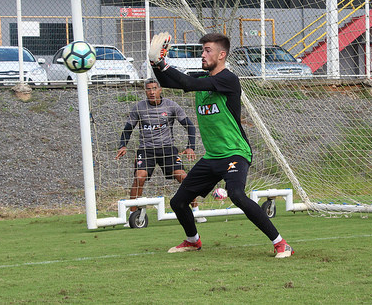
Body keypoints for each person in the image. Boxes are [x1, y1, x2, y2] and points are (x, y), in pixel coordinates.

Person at [149, 31, 294, 258]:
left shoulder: (229, 79)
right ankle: (192, 241)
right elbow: (167, 81)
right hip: (213, 156)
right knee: (178, 202)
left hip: (235, 152)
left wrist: (162, 62)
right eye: (202, 50)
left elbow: (185, 81)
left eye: (208, 51)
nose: (203, 55)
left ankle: (281, 243)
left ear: (222, 55)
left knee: (235, 194)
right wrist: (155, 63)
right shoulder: (202, 78)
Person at [115, 78, 206, 223]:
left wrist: (190, 147)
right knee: (139, 177)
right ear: (145, 91)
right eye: (148, 89)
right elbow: (128, 129)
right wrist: (123, 145)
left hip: (167, 149)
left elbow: (190, 126)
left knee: (183, 177)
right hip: (146, 150)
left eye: (154, 88)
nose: (151, 92)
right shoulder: (139, 107)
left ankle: (196, 211)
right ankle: (132, 216)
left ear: (160, 89)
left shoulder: (171, 106)